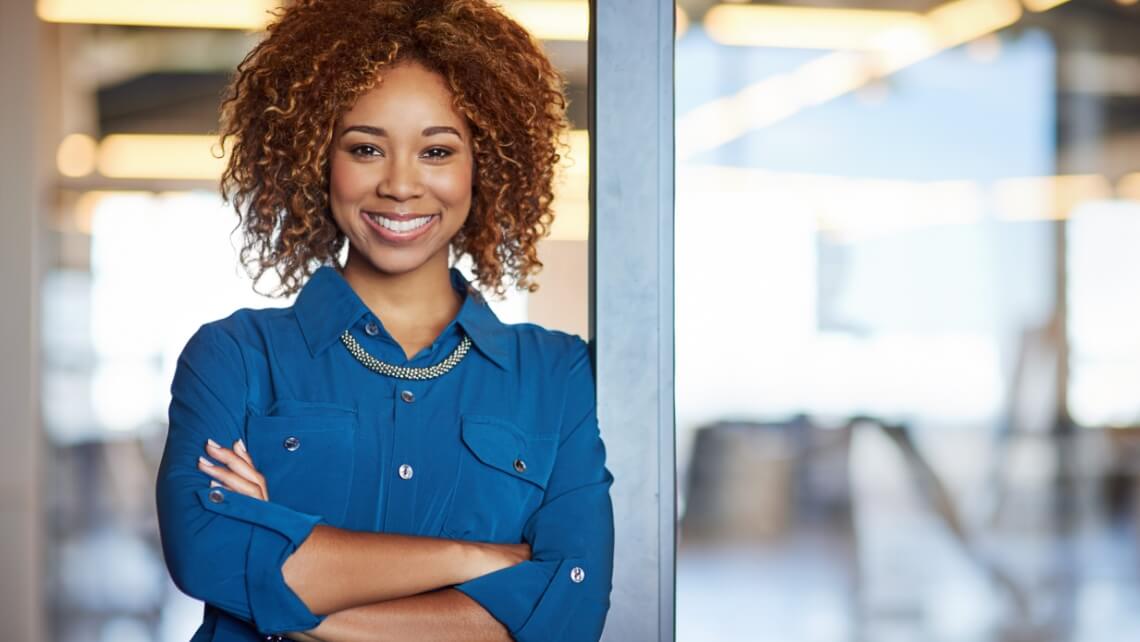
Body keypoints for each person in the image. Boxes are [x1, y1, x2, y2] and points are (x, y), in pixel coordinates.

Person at [154, 1, 615, 640]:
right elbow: (209, 552)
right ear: (316, 156)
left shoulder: (557, 375)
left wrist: (285, 584)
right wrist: (474, 562)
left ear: (484, 165)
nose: (400, 185)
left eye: (437, 150)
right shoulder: (233, 358)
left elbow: (567, 610)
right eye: (366, 148)